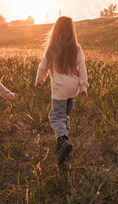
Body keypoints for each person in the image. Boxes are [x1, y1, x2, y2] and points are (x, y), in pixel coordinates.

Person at [35, 16, 89, 165]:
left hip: (59, 90)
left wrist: (39, 80)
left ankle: (62, 141)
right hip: (73, 88)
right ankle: (65, 136)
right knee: (63, 114)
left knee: (56, 117)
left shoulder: (53, 48)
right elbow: (82, 68)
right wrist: (83, 86)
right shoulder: (76, 48)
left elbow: (42, 67)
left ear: (56, 30)